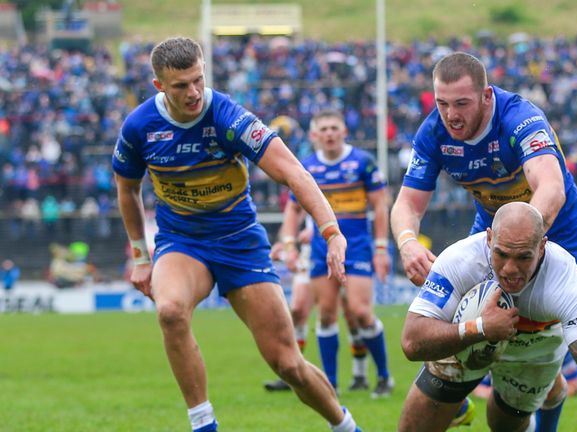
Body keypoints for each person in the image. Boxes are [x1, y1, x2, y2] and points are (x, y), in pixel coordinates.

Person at [112, 37, 360, 432]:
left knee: (287, 363)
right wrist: (141, 257)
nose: (193, 92)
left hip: (239, 240)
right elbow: (127, 188)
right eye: (181, 86)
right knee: (170, 311)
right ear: (160, 86)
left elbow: (293, 172)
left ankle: (345, 426)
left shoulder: (228, 116)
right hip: (182, 241)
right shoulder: (140, 126)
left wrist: (332, 232)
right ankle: (204, 424)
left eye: (198, 79)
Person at [390, 51, 577, 429]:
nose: (452, 115)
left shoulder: (520, 119)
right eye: (442, 103)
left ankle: (549, 386)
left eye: (461, 103)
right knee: (480, 322)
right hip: (493, 233)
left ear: (486, 96)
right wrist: (407, 241)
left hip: (554, 232)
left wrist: (524, 238)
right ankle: (455, 393)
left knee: (538, 341)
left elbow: (551, 187)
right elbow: (408, 202)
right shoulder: (434, 133)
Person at [399, 202, 577, 432]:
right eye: (501, 254)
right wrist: (479, 328)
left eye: (523, 257)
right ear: (489, 238)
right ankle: (460, 398)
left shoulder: (565, 277)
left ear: (542, 247)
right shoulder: (460, 260)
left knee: (503, 424)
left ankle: (549, 388)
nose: (510, 269)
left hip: (534, 349)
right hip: (467, 336)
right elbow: (411, 342)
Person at [280, 109, 394, 398]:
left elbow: (381, 206)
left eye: (335, 128)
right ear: (314, 135)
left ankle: (383, 376)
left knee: (360, 312)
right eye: (324, 129)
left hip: (356, 247)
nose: (330, 133)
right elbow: (292, 209)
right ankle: (330, 384)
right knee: (327, 314)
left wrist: (381, 248)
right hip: (321, 249)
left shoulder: (362, 163)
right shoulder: (306, 168)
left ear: (344, 131)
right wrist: (290, 243)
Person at [264, 215, 371, 392]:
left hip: (342, 248)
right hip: (310, 255)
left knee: (352, 314)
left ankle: (360, 374)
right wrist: (285, 243)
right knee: (298, 309)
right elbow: (293, 212)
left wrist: (318, 230)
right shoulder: (303, 188)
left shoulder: (341, 189)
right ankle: (292, 372)